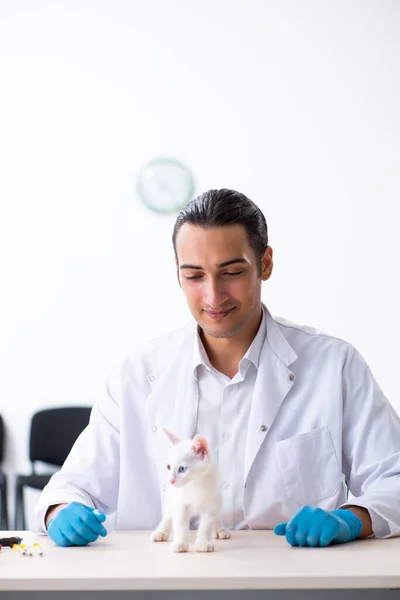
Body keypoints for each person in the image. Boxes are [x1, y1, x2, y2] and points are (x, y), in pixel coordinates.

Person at [32, 188, 400, 548]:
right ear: (177, 273)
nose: (213, 296)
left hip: (292, 582)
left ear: (265, 264)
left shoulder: (334, 366)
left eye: (231, 272)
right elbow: (71, 487)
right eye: (194, 276)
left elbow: (393, 480)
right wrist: (61, 510)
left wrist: (352, 518)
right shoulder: (135, 375)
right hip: (162, 584)